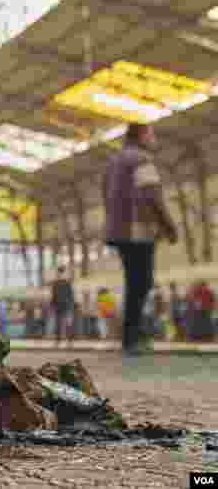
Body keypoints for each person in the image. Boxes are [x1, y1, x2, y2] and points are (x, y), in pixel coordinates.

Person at [103, 123, 178, 354]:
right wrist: (168, 226)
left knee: (133, 281)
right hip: (138, 231)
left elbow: (104, 193)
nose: (153, 139)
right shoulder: (141, 160)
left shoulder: (113, 162)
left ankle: (131, 337)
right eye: (151, 134)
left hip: (118, 231)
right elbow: (152, 194)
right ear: (142, 136)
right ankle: (133, 337)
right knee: (142, 282)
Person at [50, 265, 76, 347]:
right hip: (65, 307)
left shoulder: (56, 283)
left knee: (61, 324)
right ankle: (67, 342)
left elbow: (53, 297)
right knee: (66, 324)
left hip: (61, 307)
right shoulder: (66, 283)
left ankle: (61, 342)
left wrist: (52, 306)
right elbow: (71, 295)